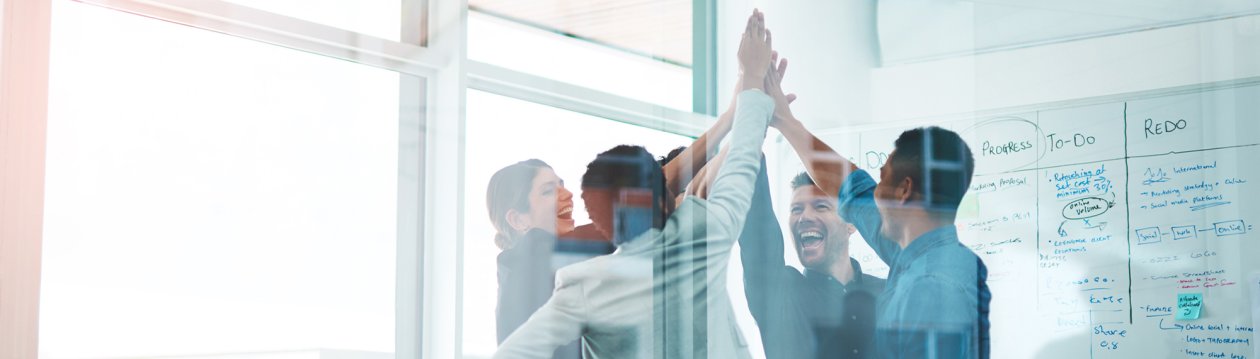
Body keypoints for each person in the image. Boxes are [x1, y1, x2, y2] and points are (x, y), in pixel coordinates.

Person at [492, 10, 776, 358]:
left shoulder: (572, 268)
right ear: (516, 219)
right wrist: (741, 111)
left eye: (564, 184)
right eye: (548, 190)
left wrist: (742, 115)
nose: (566, 195)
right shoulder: (536, 256)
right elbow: (663, 191)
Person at [766, 52, 991, 357]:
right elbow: (848, 186)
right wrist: (786, 122)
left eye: (882, 179)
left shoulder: (933, 287)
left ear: (904, 192)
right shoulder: (913, 253)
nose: (873, 192)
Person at [739, 169, 885, 359]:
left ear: (851, 224)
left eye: (821, 206)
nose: (804, 217)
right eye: (796, 209)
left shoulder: (887, 292)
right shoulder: (781, 292)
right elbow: (757, 225)